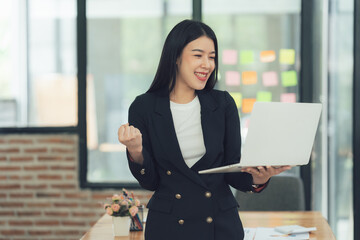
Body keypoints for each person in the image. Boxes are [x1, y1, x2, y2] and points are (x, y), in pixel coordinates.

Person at [118, 19, 291, 240]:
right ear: (176, 57)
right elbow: (150, 182)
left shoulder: (223, 104)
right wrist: (136, 151)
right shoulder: (144, 107)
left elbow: (233, 173)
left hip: (219, 225)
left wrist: (260, 178)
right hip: (168, 227)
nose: (207, 64)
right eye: (198, 55)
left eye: (212, 57)